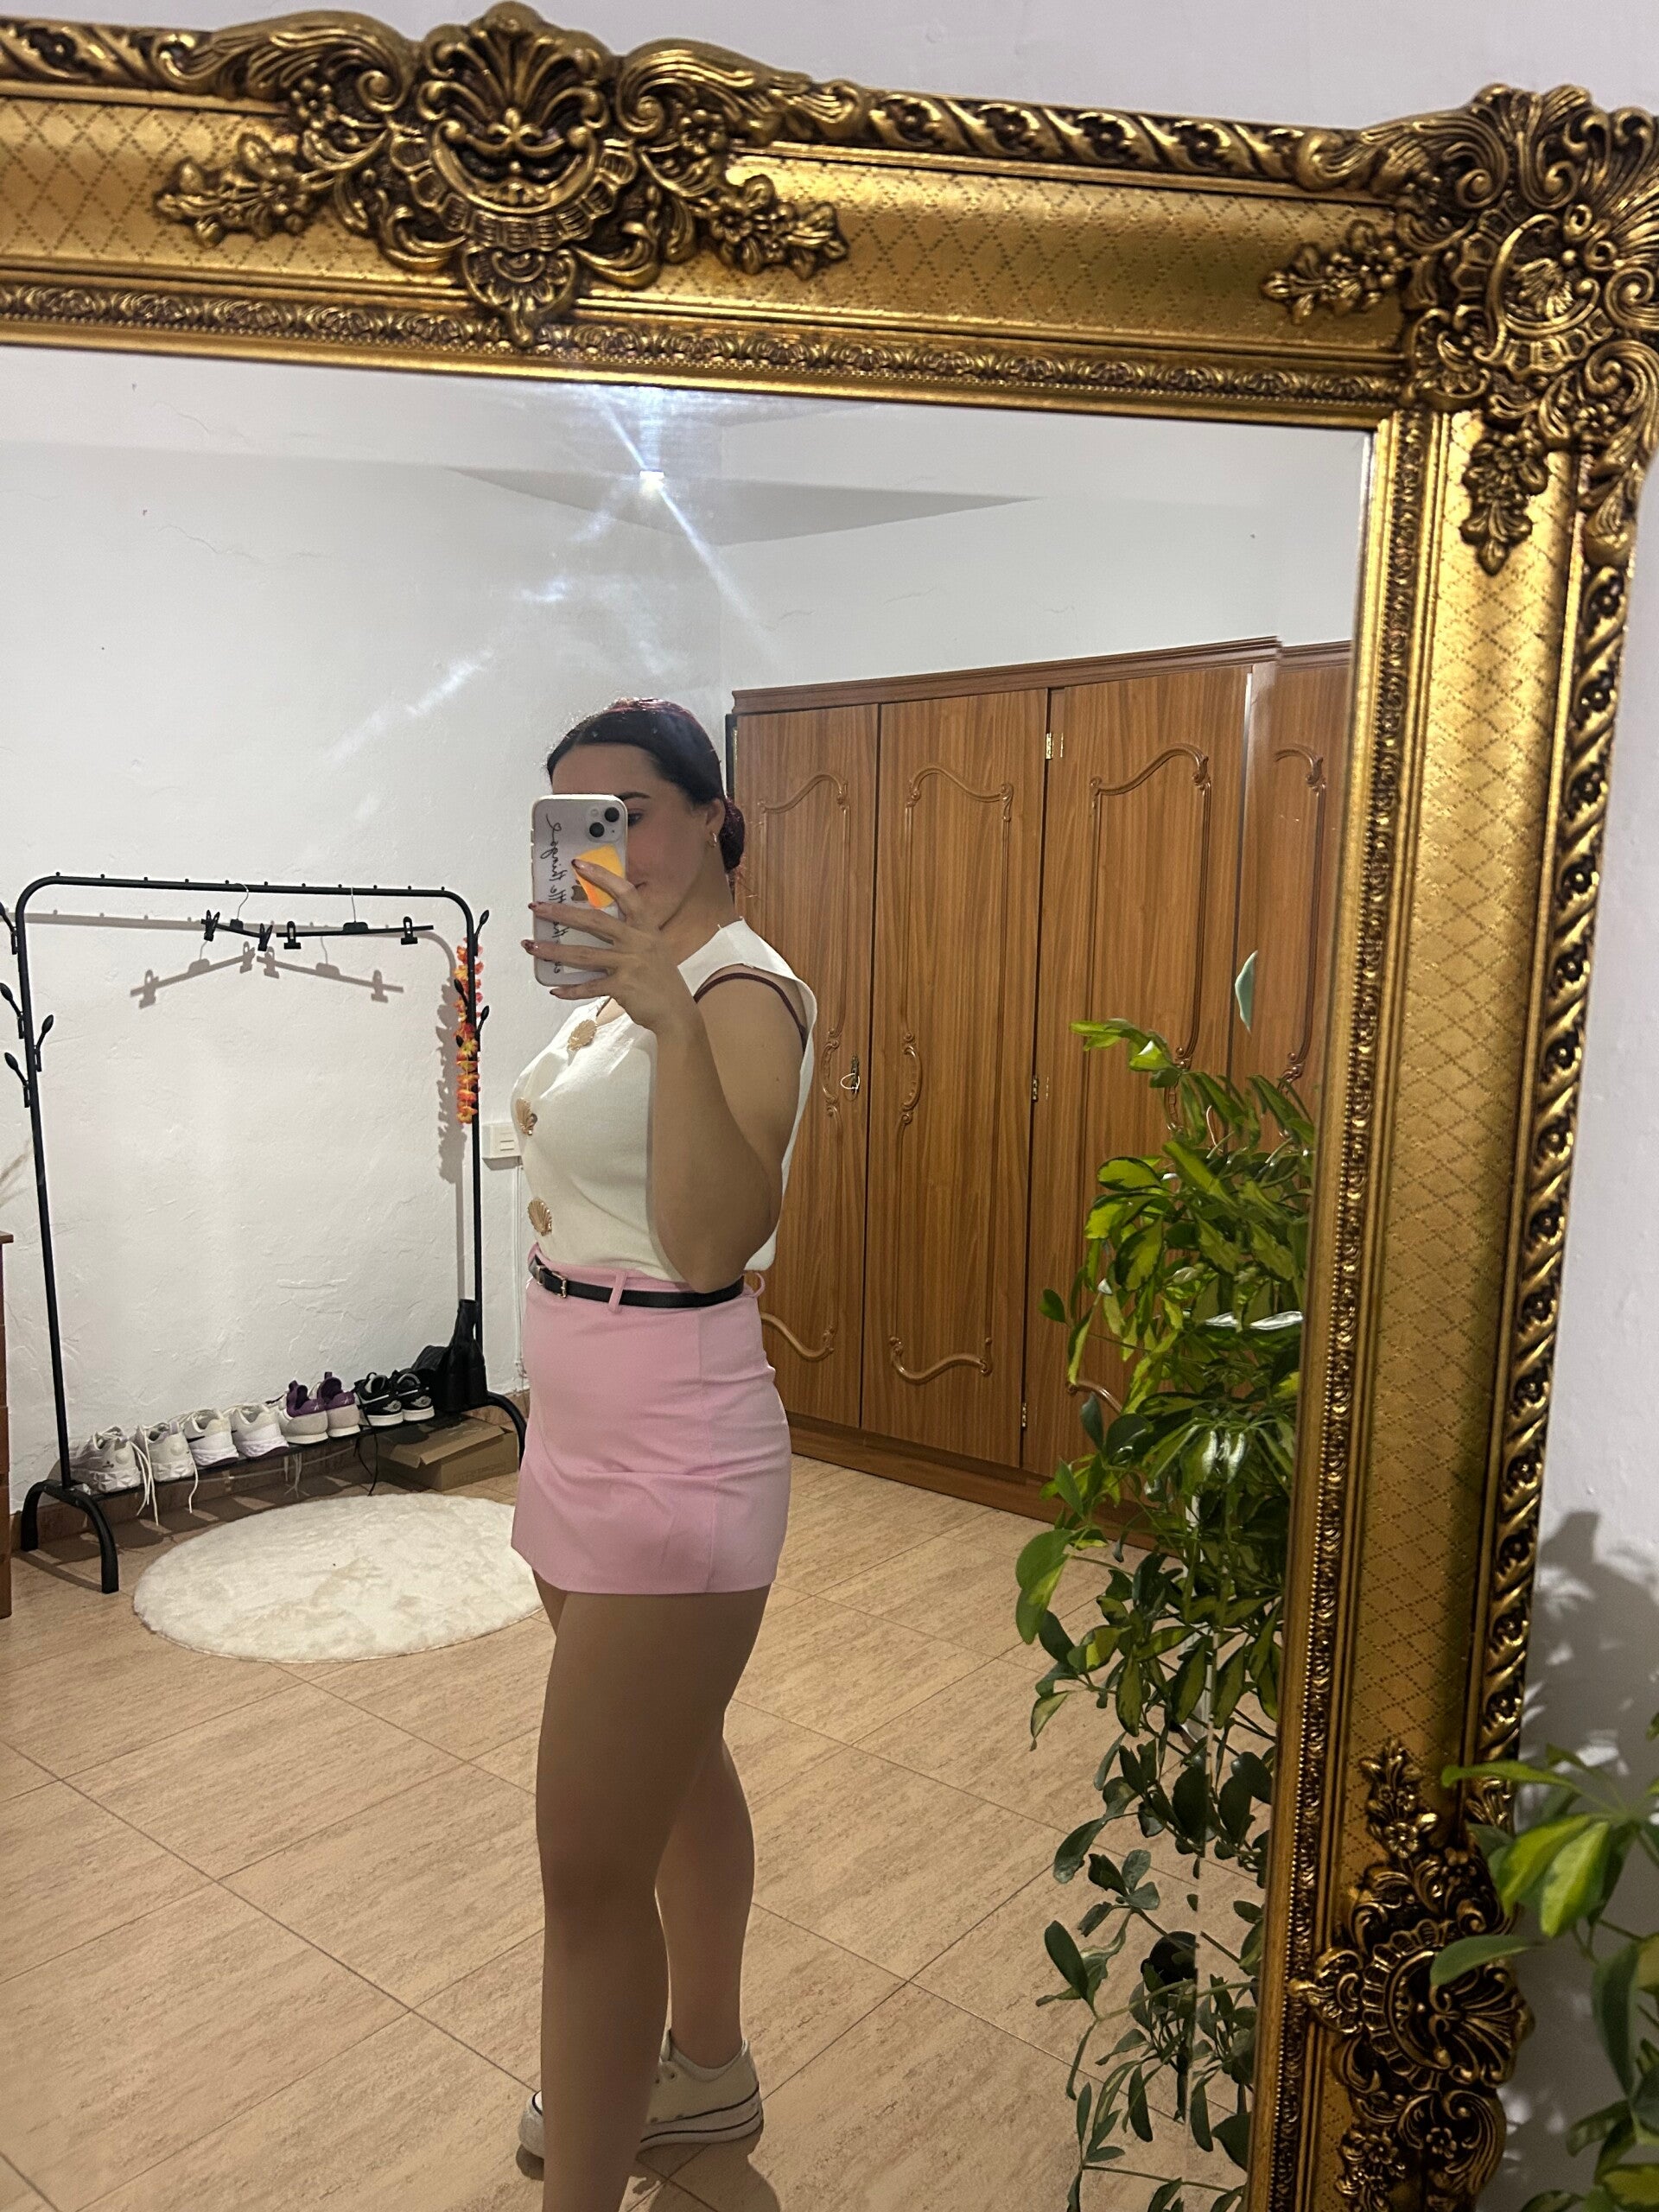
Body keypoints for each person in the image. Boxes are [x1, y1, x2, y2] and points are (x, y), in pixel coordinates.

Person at [510, 697, 816, 2212]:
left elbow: (708, 1244)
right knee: (678, 1772)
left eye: (629, 811)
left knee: (585, 1869)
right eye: (575, 820)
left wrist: (671, 1018)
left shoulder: (738, 993)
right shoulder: (612, 987)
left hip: (673, 1454)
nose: (606, 847)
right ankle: (704, 2063)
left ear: (711, 817)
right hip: (579, 1430)